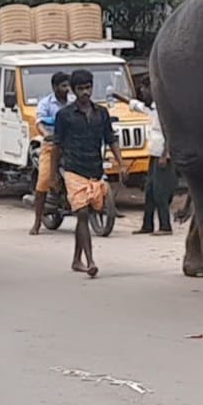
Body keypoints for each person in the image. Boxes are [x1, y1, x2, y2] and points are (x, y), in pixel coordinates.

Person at [53, 69, 128, 278]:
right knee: (83, 213)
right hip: (73, 169)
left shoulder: (101, 113)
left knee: (85, 215)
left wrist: (121, 164)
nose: (85, 92)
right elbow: (56, 146)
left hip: (94, 168)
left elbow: (110, 139)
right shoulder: (64, 115)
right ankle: (90, 261)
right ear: (74, 91)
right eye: (80, 89)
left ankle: (77, 260)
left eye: (88, 88)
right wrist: (53, 176)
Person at [127, 81, 176, 236]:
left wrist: (164, 155)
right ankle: (147, 225)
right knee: (149, 191)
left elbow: (170, 132)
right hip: (153, 154)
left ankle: (165, 226)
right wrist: (114, 95)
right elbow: (135, 105)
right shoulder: (151, 108)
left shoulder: (163, 109)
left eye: (145, 90)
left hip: (163, 155)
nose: (143, 94)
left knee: (160, 191)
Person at [30, 72, 73, 235]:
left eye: (68, 86)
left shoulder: (73, 102)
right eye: (63, 86)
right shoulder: (45, 103)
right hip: (51, 145)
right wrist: (46, 134)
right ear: (54, 87)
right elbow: (39, 123)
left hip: (71, 145)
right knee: (44, 181)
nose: (67, 89)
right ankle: (37, 223)